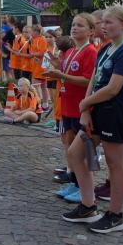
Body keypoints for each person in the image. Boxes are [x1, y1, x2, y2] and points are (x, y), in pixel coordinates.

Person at [62, 5, 123, 234]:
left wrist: (86, 103)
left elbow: (113, 88)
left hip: (115, 112)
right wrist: (86, 107)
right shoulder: (106, 48)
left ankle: (116, 215)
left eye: (108, 22)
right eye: (102, 22)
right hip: (97, 110)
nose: (103, 26)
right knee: (75, 153)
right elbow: (95, 79)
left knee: (115, 163)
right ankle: (88, 206)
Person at [43, 13, 97, 188]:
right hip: (67, 105)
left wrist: (62, 75)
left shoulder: (90, 51)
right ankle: (74, 182)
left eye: (80, 25)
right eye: (73, 24)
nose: (74, 28)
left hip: (79, 106)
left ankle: (82, 187)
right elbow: (68, 73)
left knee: (80, 150)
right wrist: (58, 66)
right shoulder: (71, 51)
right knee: (69, 144)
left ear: (91, 31)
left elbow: (88, 80)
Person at [29, 25, 51, 111]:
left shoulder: (41, 39)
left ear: (36, 32)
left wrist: (33, 54)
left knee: (36, 86)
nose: (30, 33)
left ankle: (39, 105)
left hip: (40, 67)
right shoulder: (34, 40)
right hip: (37, 66)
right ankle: (44, 105)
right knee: (43, 87)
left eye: (31, 31)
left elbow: (42, 52)